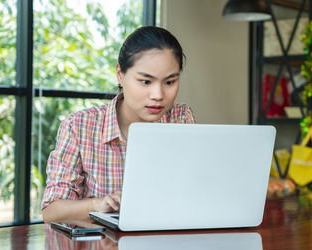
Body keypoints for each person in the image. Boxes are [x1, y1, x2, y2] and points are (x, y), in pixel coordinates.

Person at [41, 26, 196, 223]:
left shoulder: (181, 118)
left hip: (165, 244)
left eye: (169, 82)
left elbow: (193, 193)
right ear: (120, 74)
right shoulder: (79, 127)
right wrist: (98, 204)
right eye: (146, 82)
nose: (158, 95)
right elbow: (51, 211)